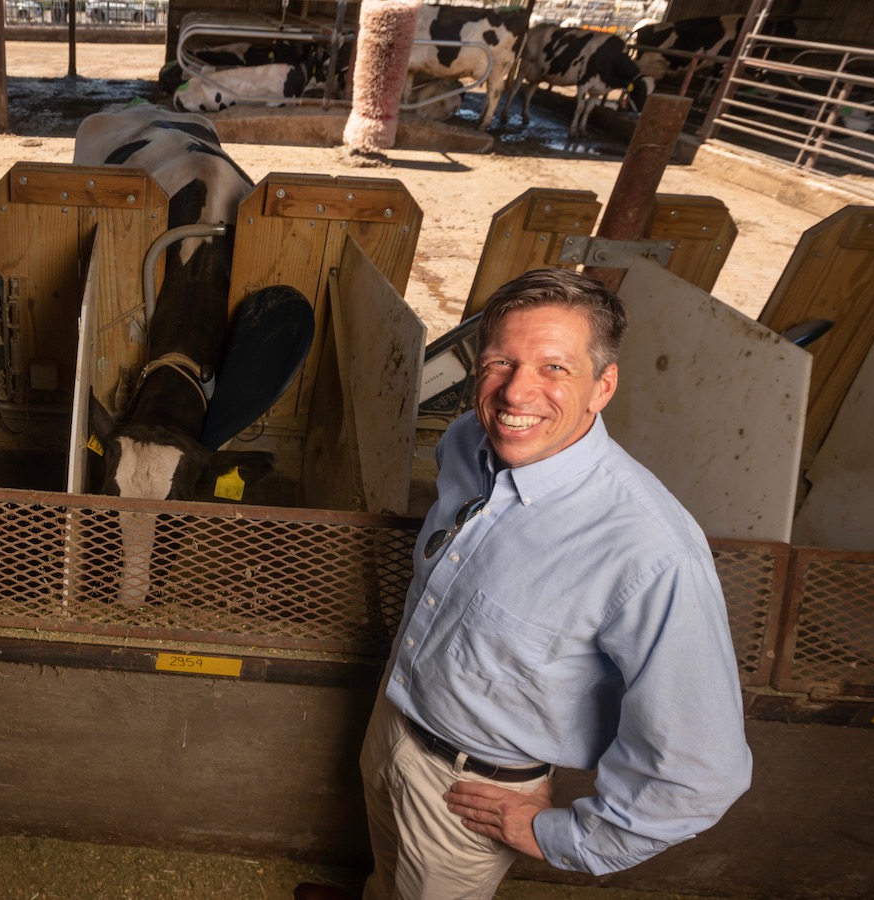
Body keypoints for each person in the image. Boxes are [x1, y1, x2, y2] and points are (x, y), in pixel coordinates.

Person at [301, 268, 752, 899]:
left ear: (604, 385)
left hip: (472, 789)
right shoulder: (466, 443)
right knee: (387, 863)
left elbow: (700, 769)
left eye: (555, 368)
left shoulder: (651, 553)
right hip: (396, 713)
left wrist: (563, 835)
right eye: (499, 363)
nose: (517, 394)